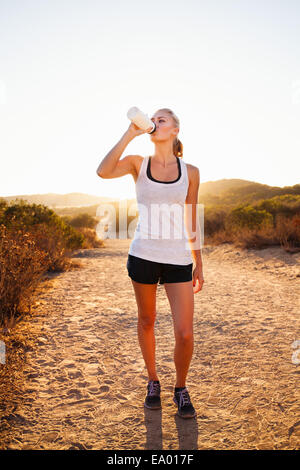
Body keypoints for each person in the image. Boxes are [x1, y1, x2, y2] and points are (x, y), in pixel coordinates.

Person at [96, 108, 204, 419]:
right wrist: (131, 133)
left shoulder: (191, 172)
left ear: (175, 130)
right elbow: (103, 171)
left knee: (184, 332)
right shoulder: (137, 164)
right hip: (143, 254)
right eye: (153, 118)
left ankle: (180, 388)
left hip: (178, 260)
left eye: (163, 118)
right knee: (147, 321)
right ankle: (153, 381)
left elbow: (192, 217)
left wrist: (199, 261)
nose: (155, 121)